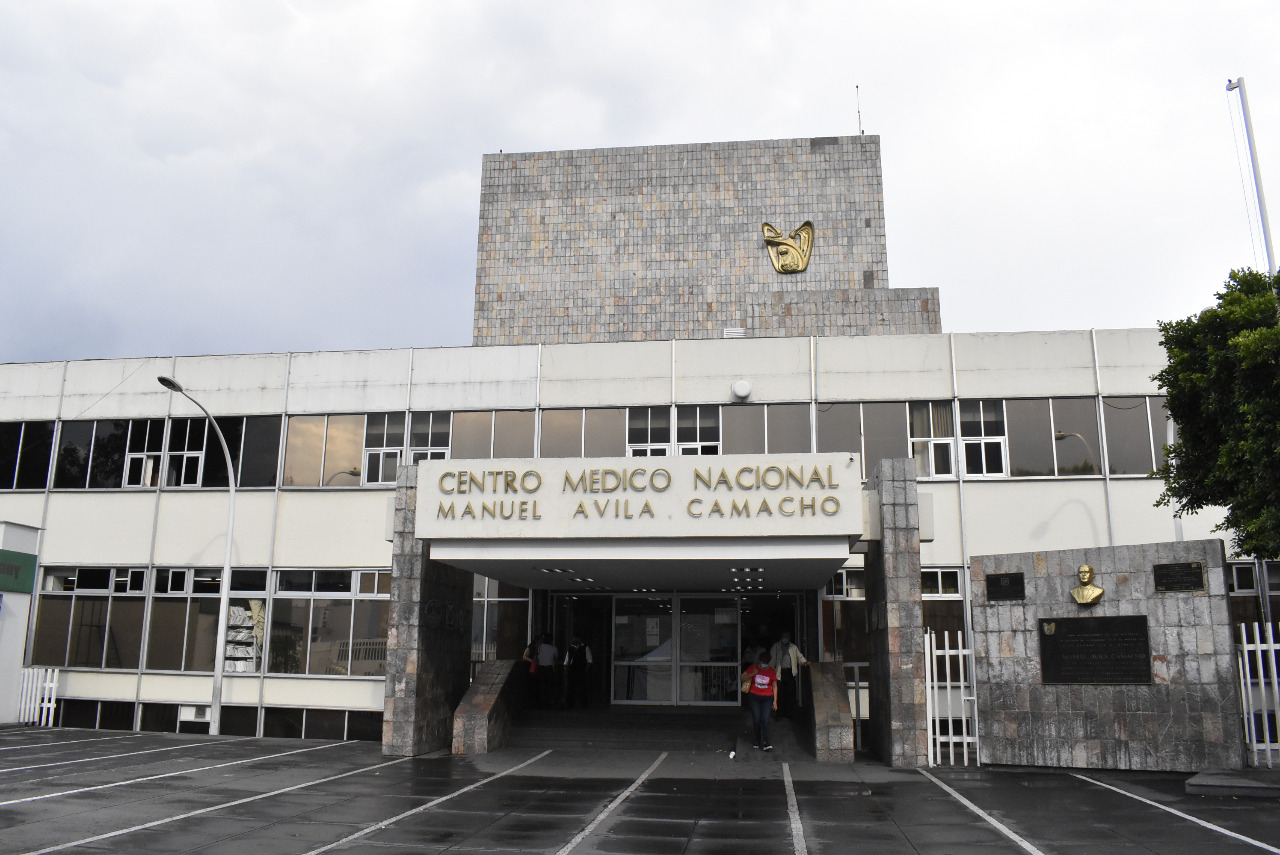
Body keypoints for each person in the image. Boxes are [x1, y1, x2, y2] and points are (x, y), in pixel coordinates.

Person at [768, 631, 809, 720]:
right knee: (780, 694)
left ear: (789, 638)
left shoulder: (793, 647)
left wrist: (804, 662)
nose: (785, 638)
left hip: (790, 672)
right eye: (784, 636)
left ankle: (789, 713)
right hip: (779, 672)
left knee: (790, 694)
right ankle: (779, 713)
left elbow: (799, 657)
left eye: (787, 636)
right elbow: (772, 660)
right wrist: (770, 671)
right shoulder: (776, 647)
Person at [742, 650, 778, 750]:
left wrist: (775, 701)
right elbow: (742, 677)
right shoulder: (753, 668)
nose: (764, 665)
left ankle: (766, 741)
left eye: (765, 662)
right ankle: (757, 739)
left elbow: (774, 685)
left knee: (765, 719)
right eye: (762, 662)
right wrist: (753, 674)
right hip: (754, 696)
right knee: (756, 718)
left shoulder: (771, 671)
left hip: (767, 697)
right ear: (760, 661)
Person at [563, 634, 593, 708]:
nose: (574, 640)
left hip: (581, 669)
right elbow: (566, 661)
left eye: (576, 639)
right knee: (571, 687)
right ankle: (570, 703)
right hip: (572, 670)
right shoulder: (571, 648)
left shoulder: (585, 647)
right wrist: (566, 670)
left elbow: (589, 660)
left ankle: (584, 703)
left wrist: (585, 670)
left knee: (582, 687)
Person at [535, 633, 559, 707]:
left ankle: (541, 702)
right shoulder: (554, 648)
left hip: (540, 668)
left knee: (541, 686)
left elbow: (536, 656)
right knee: (550, 686)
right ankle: (549, 702)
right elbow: (556, 656)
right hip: (549, 669)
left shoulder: (540, 647)